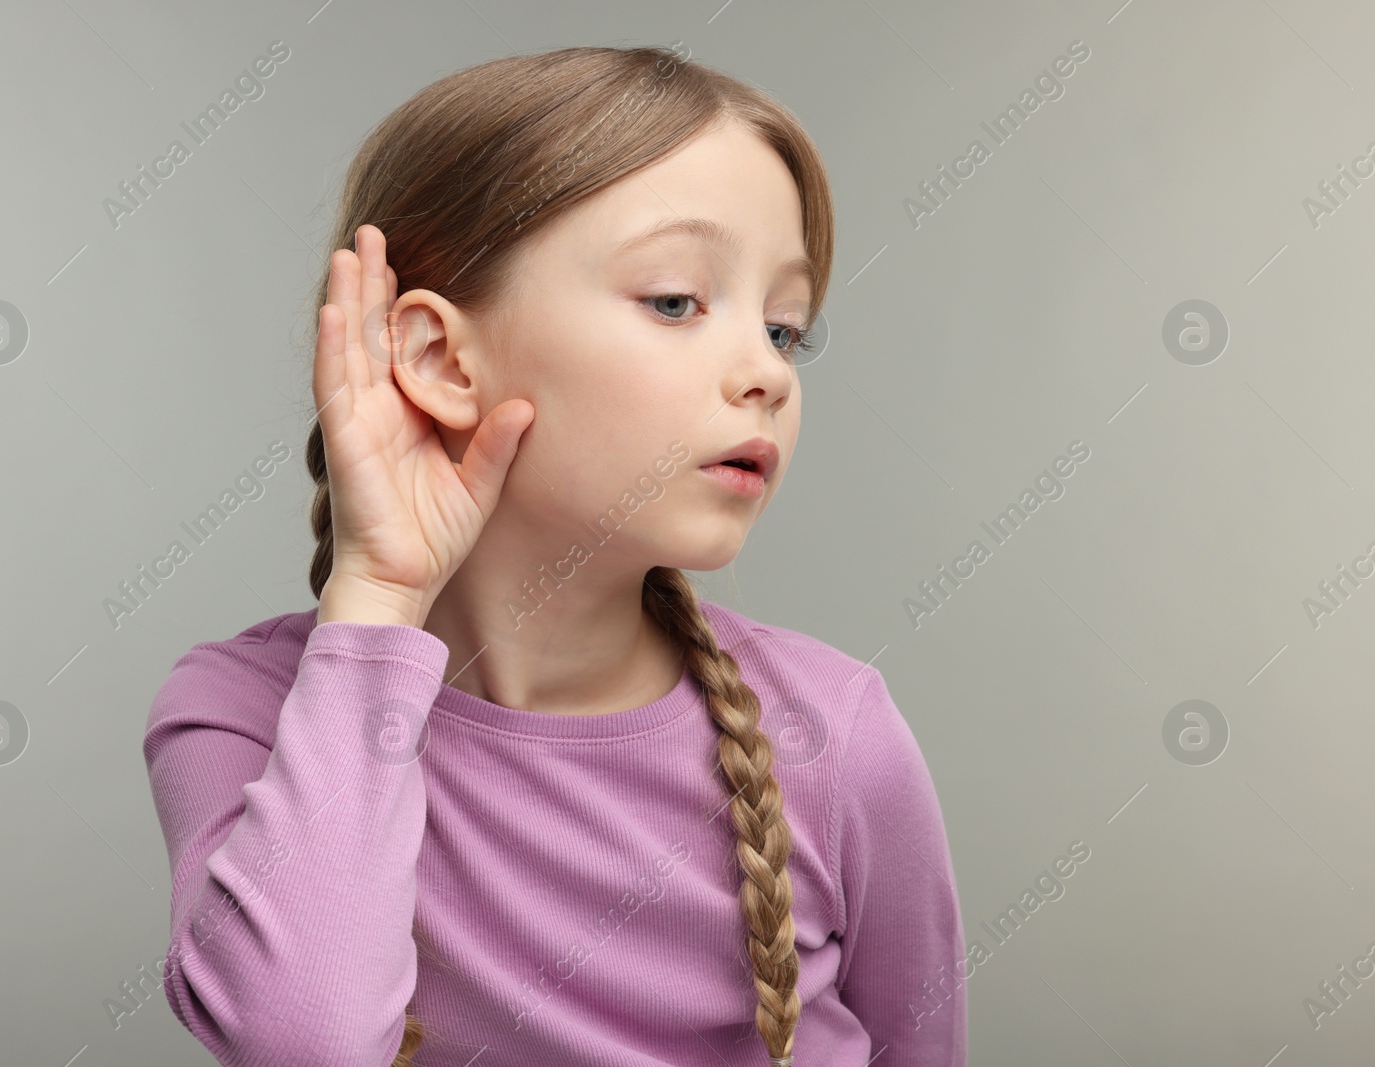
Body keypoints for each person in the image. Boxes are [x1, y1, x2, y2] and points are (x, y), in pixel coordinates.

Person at [143, 44, 967, 1067]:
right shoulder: (236, 707)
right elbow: (301, 1039)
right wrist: (381, 593)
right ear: (442, 358)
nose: (765, 371)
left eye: (785, 326)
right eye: (675, 300)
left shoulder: (839, 736)